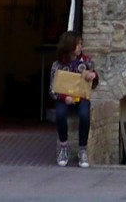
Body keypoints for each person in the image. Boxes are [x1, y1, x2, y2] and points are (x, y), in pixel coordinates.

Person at [46, 29, 99, 167]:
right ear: (69, 46)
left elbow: (94, 82)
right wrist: (64, 98)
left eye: (81, 44)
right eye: (78, 44)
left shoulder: (86, 62)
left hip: (81, 97)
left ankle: (82, 149)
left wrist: (93, 76)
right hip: (65, 98)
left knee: (84, 114)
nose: (81, 47)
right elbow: (52, 89)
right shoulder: (58, 65)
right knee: (60, 114)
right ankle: (64, 147)